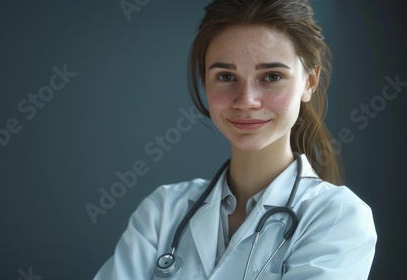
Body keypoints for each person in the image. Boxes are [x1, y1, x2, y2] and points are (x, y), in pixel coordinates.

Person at [94, 0, 377, 279]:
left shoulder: (337, 218)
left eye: (272, 76)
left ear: (309, 82)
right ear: (205, 80)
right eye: (227, 76)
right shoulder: (163, 211)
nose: (246, 101)